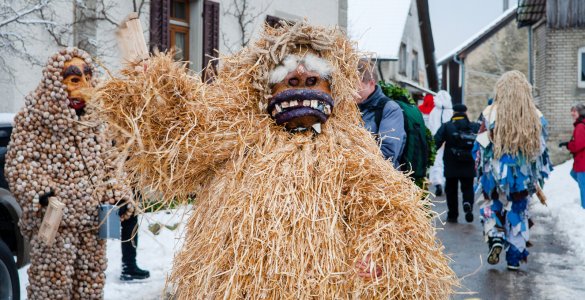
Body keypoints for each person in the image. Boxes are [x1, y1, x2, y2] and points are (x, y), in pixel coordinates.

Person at [5, 48, 134, 299]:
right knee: (51, 287)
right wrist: (42, 193)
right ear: (56, 82)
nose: (84, 87)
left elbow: (111, 163)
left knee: (90, 286)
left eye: (87, 78)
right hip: (55, 224)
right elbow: (18, 164)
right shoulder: (35, 117)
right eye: (75, 80)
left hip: (93, 224)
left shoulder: (96, 120)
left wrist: (117, 193)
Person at [475, 70, 552, 271]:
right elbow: (541, 150)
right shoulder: (536, 115)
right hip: (522, 178)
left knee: (492, 204)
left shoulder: (489, 112)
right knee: (519, 213)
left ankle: (496, 237)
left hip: (493, 173)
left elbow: (479, 148)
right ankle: (514, 257)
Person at [355, 60, 406, 168]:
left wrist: (352, 162)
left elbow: (388, 154)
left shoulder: (390, 109)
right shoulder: (349, 107)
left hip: (378, 180)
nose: (351, 91)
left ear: (371, 83)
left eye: (355, 87)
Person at [434, 104, 479, 223]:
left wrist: (429, 154)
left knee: (451, 189)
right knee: (468, 187)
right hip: (469, 162)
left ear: (454, 112)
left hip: (451, 162)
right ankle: (467, 203)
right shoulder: (474, 126)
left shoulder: (447, 126)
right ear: (465, 112)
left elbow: (436, 142)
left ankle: (453, 215)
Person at [120, 191, 150, 281]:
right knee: (130, 222)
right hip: (121, 188)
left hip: (122, 189)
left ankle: (128, 266)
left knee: (130, 221)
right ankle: (128, 267)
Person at [428, 90, 454, 196]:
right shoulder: (451, 112)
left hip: (436, 140)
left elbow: (430, 126)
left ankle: (437, 182)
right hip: (449, 142)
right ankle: (446, 182)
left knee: (436, 162)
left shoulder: (434, 111)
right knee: (447, 162)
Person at [561, 103, 585, 209]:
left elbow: (579, 145)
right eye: (572, 111)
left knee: (583, 186)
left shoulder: (580, 126)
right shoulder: (580, 124)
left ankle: (584, 208)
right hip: (580, 160)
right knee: (573, 173)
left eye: (574, 111)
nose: (572, 113)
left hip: (582, 160)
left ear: (580, 112)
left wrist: (569, 145)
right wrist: (568, 143)